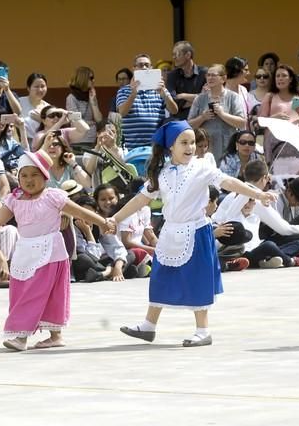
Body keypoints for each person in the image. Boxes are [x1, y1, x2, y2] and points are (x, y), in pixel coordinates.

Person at [113, 121, 275, 347]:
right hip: (170, 231)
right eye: (184, 142)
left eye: (192, 143)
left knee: (197, 280)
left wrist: (258, 194)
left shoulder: (202, 167)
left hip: (196, 230)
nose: (190, 147)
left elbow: (228, 181)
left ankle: (203, 330)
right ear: (171, 146)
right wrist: (115, 218)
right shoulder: (162, 173)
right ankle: (149, 325)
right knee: (160, 276)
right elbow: (141, 199)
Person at [0, 145, 115, 351]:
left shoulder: (53, 196)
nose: (29, 179)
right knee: (21, 293)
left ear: (45, 176)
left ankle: (21, 336)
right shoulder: (14, 200)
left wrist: (102, 221)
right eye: (24, 175)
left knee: (39, 293)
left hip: (50, 253)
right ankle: (55, 336)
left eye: (35, 174)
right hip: (24, 252)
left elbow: (80, 211)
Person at [116, 53, 178, 149]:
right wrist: (133, 94)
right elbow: (122, 112)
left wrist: (163, 93)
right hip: (133, 148)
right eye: (140, 65)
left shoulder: (160, 88)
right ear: (134, 69)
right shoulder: (124, 90)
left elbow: (174, 111)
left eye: (147, 65)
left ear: (151, 68)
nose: (144, 68)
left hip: (156, 148)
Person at [188, 64, 246, 162]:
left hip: (227, 147)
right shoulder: (200, 99)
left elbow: (242, 122)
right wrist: (202, 117)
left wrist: (222, 114)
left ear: (223, 78)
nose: (210, 78)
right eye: (208, 75)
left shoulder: (233, 97)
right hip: (205, 149)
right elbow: (189, 125)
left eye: (213, 75)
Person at [259, 64, 299, 164]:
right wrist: (274, 118)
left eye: (284, 76)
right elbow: (261, 121)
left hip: (296, 144)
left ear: (291, 79)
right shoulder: (270, 96)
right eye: (277, 76)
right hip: (274, 144)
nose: (280, 79)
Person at [167, 41, 208, 120]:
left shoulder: (205, 73)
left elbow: (209, 98)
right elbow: (173, 102)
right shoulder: (172, 75)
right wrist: (199, 98)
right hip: (180, 122)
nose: (174, 57)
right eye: (173, 55)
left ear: (188, 55)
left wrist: (183, 95)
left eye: (177, 54)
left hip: (201, 121)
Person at [66, 66, 102, 144]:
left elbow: (98, 119)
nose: (93, 80)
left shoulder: (91, 95)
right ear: (83, 79)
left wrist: (93, 101)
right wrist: (92, 123)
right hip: (79, 140)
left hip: (92, 139)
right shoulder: (71, 98)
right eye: (91, 78)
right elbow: (75, 121)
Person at [19, 73, 50, 140]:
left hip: (40, 142)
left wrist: (41, 120)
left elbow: (52, 129)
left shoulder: (48, 108)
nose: (40, 90)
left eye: (43, 86)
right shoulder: (19, 102)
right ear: (28, 88)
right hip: (20, 141)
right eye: (36, 86)